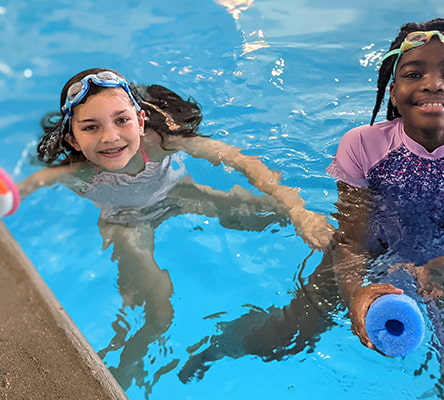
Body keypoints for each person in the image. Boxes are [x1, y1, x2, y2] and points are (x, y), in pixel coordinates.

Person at [178, 17, 444, 399]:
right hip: (372, 248)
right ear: (393, 92)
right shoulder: (363, 146)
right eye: (414, 74)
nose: (433, 83)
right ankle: (224, 344)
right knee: (285, 337)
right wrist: (355, 293)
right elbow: (351, 238)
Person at [18, 68, 333, 392]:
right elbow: (23, 188)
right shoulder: (77, 172)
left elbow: (241, 161)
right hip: (126, 222)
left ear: (140, 121)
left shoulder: (162, 142)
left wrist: (299, 211)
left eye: (121, 120)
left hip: (177, 195)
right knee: (159, 307)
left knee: (268, 213)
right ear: (73, 139)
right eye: (91, 127)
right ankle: (122, 375)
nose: (110, 136)